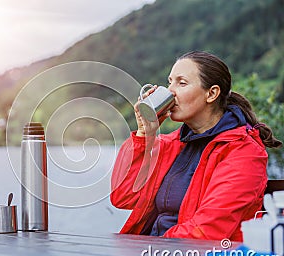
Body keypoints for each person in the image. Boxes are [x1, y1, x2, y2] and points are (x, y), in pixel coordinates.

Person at [110, 51, 282, 241]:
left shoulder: (243, 153)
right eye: (170, 82)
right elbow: (123, 196)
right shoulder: (172, 144)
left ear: (212, 93)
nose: (170, 91)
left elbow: (207, 230)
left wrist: (149, 251)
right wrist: (144, 135)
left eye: (181, 83)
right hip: (156, 252)